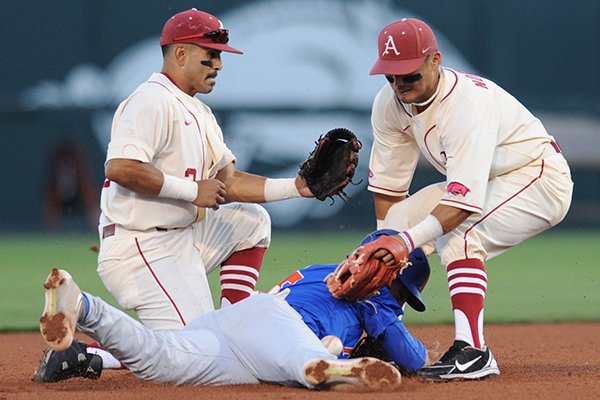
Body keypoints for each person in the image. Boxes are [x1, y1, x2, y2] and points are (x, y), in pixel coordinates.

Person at [365, 18, 573, 381]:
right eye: (390, 76)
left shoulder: (465, 105)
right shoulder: (389, 104)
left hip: (538, 177)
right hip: (487, 181)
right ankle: (384, 336)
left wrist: (407, 243)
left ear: (435, 61)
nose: (399, 84)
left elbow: (462, 206)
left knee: (460, 232)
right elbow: (389, 191)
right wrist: (390, 247)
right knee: (394, 227)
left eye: (409, 75)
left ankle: (473, 351)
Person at [97, 7, 315, 334]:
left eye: (220, 56)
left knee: (250, 221)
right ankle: (89, 341)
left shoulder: (200, 111)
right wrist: (193, 190)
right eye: (210, 55)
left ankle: (235, 323)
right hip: (141, 246)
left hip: (184, 237)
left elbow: (230, 181)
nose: (219, 65)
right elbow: (121, 168)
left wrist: (297, 187)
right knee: (199, 355)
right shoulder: (151, 100)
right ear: (181, 53)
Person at [33, 230, 434, 389]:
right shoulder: (376, 297)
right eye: (403, 294)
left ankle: (84, 306)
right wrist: (386, 333)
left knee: (158, 359)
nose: (400, 303)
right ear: (391, 279)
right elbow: (411, 358)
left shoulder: (321, 270)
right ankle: (333, 367)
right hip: (278, 329)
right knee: (306, 362)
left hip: (241, 330)